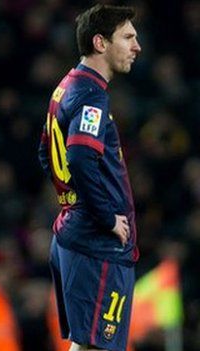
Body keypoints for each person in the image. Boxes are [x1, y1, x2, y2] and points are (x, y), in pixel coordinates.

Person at [38, 4, 141, 351]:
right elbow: (80, 158)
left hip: (76, 234)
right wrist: (101, 215)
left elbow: (45, 154)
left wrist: (72, 204)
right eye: (127, 37)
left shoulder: (66, 86)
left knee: (87, 345)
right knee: (100, 347)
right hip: (96, 244)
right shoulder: (90, 94)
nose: (137, 46)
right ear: (100, 42)